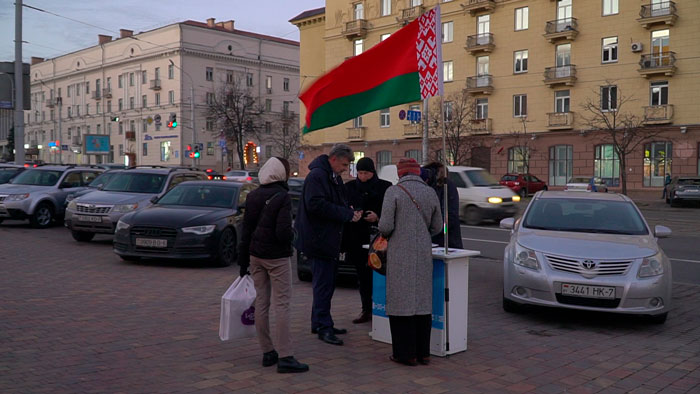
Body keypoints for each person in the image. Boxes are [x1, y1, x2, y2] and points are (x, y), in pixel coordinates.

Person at [238, 157, 309, 373]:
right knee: (282, 304)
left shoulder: (253, 195)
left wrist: (243, 261)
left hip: (255, 255)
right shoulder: (282, 197)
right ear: (281, 174)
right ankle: (286, 356)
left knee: (261, 303)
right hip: (277, 258)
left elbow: (246, 229)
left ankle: (267, 351)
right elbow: (282, 232)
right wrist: (292, 238)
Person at [294, 144, 362, 346]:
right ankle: (323, 326)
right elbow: (316, 205)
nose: (345, 169)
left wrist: (348, 209)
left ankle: (322, 322)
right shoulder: (318, 176)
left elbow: (335, 201)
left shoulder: (331, 176)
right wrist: (346, 214)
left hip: (327, 238)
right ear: (333, 159)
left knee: (327, 284)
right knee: (323, 284)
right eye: (343, 164)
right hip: (319, 239)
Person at [378, 158, 442, 366]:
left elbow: (385, 226)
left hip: (399, 254)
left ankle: (406, 354)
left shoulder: (394, 192)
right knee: (422, 304)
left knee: (401, 303)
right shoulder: (430, 193)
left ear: (400, 173)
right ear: (418, 173)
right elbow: (438, 227)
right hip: (423, 253)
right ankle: (424, 353)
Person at [342, 157, 392, 325]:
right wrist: (352, 214)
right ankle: (366, 309)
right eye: (360, 173)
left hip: (379, 238)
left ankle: (383, 308)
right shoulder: (349, 188)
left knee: (381, 274)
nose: (363, 176)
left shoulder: (385, 187)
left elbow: (391, 212)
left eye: (366, 173)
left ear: (373, 172)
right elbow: (344, 208)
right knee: (362, 276)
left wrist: (377, 217)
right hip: (357, 237)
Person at [420, 162, 463, 249]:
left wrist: (435, 230)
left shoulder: (446, 186)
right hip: (433, 238)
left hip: (447, 240)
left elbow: (449, 216)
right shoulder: (428, 187)